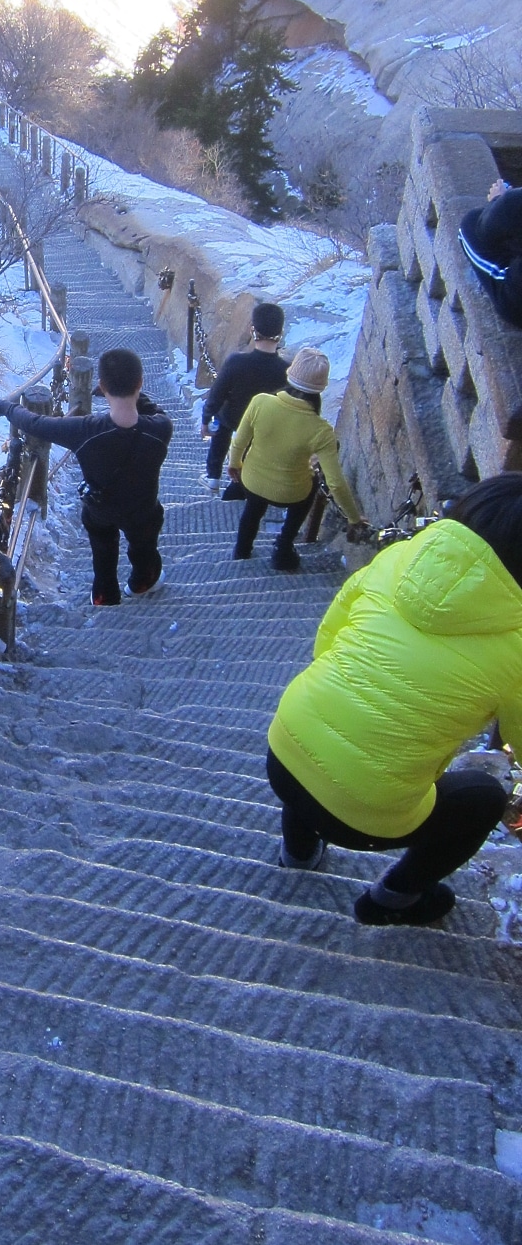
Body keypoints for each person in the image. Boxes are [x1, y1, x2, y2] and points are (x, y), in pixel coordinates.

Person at [266, 472, 522, 926]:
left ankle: (298, 853)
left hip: (283, 749)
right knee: (483, 796)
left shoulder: (398, 558)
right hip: (366, 818)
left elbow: (328, 637)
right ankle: (394, 898)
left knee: (327, 727)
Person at [0, 348, 172, 606]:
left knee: (103, 547)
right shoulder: (161, 429)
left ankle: (104, 595)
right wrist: (130, 395)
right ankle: (143, 581)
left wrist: (6, 406)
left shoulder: (85, 430)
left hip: (101, 510)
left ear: (102, 386)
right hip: (143, 509)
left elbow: (36, 423)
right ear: (140, 383)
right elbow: (153, 410)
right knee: (144, 544)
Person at [227, 346, 365, 570]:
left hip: (252, 480)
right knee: (309, 491)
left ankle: (241, 550)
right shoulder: (322, 430)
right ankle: (283, 548)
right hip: (291, 493)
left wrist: (235, 465)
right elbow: (335, 483)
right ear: (320, 388)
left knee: (252, 510)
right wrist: (354, 518)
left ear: (290, 374)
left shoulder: (260, 402)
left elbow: (239, 441)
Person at [201, 301, 287, 493]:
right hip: (262, 425)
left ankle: (213, 475)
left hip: (233, 417)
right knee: (250, 443)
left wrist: (206, 418)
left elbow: (217, 394)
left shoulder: (236, 362)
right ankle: (241, 481)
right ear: (280, 334)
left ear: (252, 330)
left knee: (221, 427)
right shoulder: (286, 370)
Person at [459, 178, 522, 328]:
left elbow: (484, 228)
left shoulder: (512, 203)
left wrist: (498, 200)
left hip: (516, 307)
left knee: (469, 224)